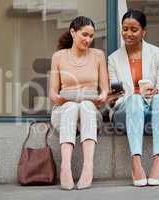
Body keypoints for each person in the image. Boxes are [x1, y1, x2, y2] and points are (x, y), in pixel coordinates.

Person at [108, 10, 159, 187]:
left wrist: (155, 92)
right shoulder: (113, 59)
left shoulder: (157, 53)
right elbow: (115, 97)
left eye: (134, 29)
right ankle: (136, 163)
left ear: (143, 31)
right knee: (135, 100)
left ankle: (158, 161)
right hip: (125, 112)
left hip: (154, 109)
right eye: (124, 29)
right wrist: (134, 96)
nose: (128, 34)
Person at [49, 16, 109, 190]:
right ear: (73, 32)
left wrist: (102, 96)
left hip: (89, 109)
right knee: (70, 107)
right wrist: (60, 98)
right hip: (64, 109)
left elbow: (105, 89)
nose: (88, 40)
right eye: (84, 35)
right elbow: (53, 93)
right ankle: (65, 166)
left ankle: (88, 166)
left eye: (91, 36)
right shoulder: (59, 57)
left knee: (85, 107)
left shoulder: (98, 56)